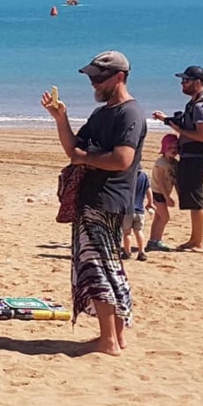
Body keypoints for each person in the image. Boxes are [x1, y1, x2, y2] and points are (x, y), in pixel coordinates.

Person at [41, 50, 146, 356]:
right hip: (95, 198)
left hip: (107, 199)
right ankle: (116, 337)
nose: (94, 84)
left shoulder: (130, 113)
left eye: (99, 78)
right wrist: (60, 119)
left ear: (119, 77)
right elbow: (74, 149)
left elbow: (123, 159)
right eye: (91, 78)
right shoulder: (102, 114)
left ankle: (109, 341)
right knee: (108, 267)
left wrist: (85, 159)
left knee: (97, 268)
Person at [152, 65, 203, 253]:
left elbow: (202, 135)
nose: (182, 83)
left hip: (196, 157)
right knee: (192, 198)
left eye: (186, 80)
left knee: (196, 199)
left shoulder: (202, 107)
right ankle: (194, 239)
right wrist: (167, 121)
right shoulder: (196, 103)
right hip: (191, 157)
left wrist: (177, 129)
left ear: (198, 82)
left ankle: (197, 241)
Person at [146, 134, 179, 252]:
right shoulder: (161, 163)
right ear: (165, 148)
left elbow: (175, 180)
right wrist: (167, 197)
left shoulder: (174, 163)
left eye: (176, 148)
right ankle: (157, 240)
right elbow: (160, 182)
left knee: (158, 217)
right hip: (158, 193)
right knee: (165, 217)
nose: (174, 150)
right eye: (170, 148)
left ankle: (152, 240)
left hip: (164, 193)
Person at [121, 169, 153, 262]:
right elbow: (149, 190)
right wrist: (150, 203)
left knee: (127, 233)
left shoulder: (126, 175)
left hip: (128, 210)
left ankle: (127, 252)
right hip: (140, 210)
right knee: (139, 231)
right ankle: (141, 251)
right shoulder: (144, 176)